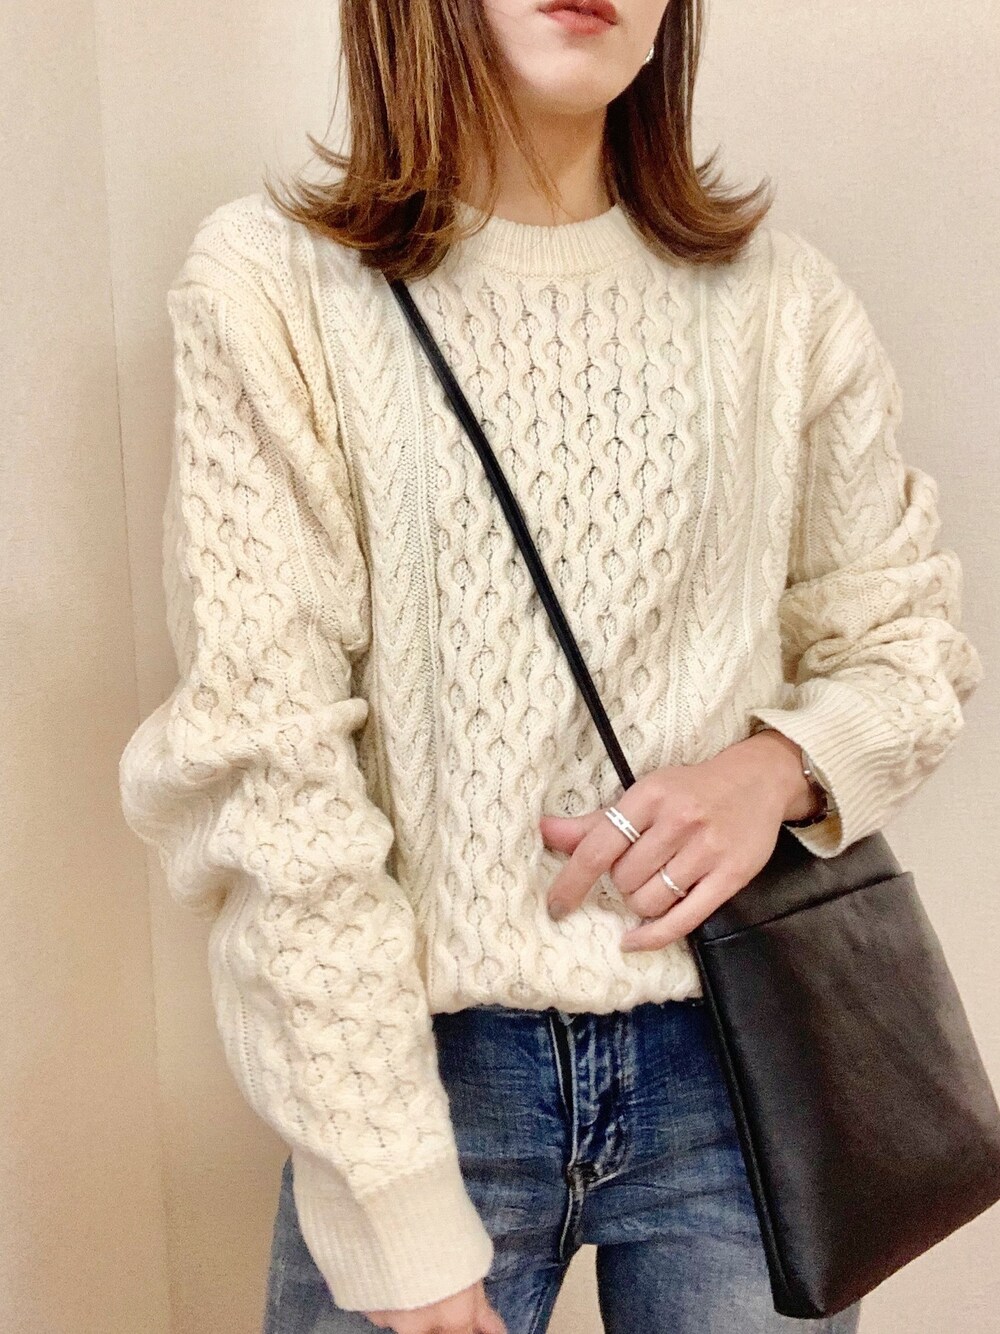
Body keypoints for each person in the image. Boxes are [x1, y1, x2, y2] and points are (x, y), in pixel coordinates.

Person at [118, 1, 985, 1331]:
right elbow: (268, 766)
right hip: (422, 1081)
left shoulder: (785, 303)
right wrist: (393, 1199)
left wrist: (778, 770)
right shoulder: (273, 285)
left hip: (739, 1071)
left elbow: (906, 645)